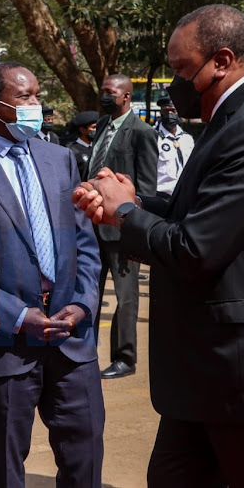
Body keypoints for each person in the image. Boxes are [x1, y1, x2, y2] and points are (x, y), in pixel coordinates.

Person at [74, 4, 244, 486]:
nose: (174, 85)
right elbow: (200, 214)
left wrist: (125, 213)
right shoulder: (238, 113)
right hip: (213, 372)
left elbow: (196, 248)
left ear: (221, 60)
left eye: (181, 69)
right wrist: (136, 201)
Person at [0, 62, 104, 487]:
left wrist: (83, 303)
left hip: (71, 338)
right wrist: (15, 314)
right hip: (7, 344)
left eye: (36, 96)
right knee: (8, 466)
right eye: (24, 98)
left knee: (85, 454)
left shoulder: (59, 158)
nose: (36, 106)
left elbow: (84, 243)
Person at [85, 73, 159, 379]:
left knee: (126, 295)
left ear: (126, 96)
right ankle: (85, 353)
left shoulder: (142, 132)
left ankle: (124, 357)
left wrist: (136, 227)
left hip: (121, 227)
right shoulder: (101, 126)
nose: (103, 97)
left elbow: (147, 189)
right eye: (102, 91)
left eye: (109, 92)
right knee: (90, 291)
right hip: (92, 226)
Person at [153, 96, 194, 198]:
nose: (169, 115)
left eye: (173, 111)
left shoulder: (187, 139)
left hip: (183, 196)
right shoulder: (153, 136)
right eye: (166, 111)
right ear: (161, 112)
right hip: (160, 196)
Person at [68, 110, 99, 177]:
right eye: (93, 127)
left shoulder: (97, 147)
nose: (96, 130)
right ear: (83, 130)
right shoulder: (73, 151)